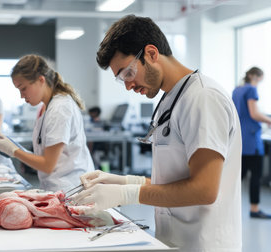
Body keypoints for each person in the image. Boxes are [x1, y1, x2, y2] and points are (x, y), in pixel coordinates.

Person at [70, 15, 242, 251]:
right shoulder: (170, 100)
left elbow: (204, 189)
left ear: (151, 53)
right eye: (121, 79)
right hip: (175, 239)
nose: (128, 85)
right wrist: (121, 181)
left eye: (127, 73)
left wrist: (128, 193)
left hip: (205, 243)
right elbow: (175, 179)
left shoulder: (203, 98)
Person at [0, 54, 95, 192]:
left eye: (23, 88)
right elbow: (42, 157)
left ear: (41, 80)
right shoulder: (45, 107)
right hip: (58, 187)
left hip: (72, 188)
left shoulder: (59, 108)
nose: (21, 95)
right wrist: (12, 145)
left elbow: (47, 164)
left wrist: (14, 151)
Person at [232, 67, 271, 219]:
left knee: (237, 177)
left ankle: (228, 209)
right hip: (252, 140)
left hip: (240, 138)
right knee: (256, 176)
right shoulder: (251, 90)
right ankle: (254, 209)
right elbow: (254, 113)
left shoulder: (237, 90)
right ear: (255, 77)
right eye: (260, 79)